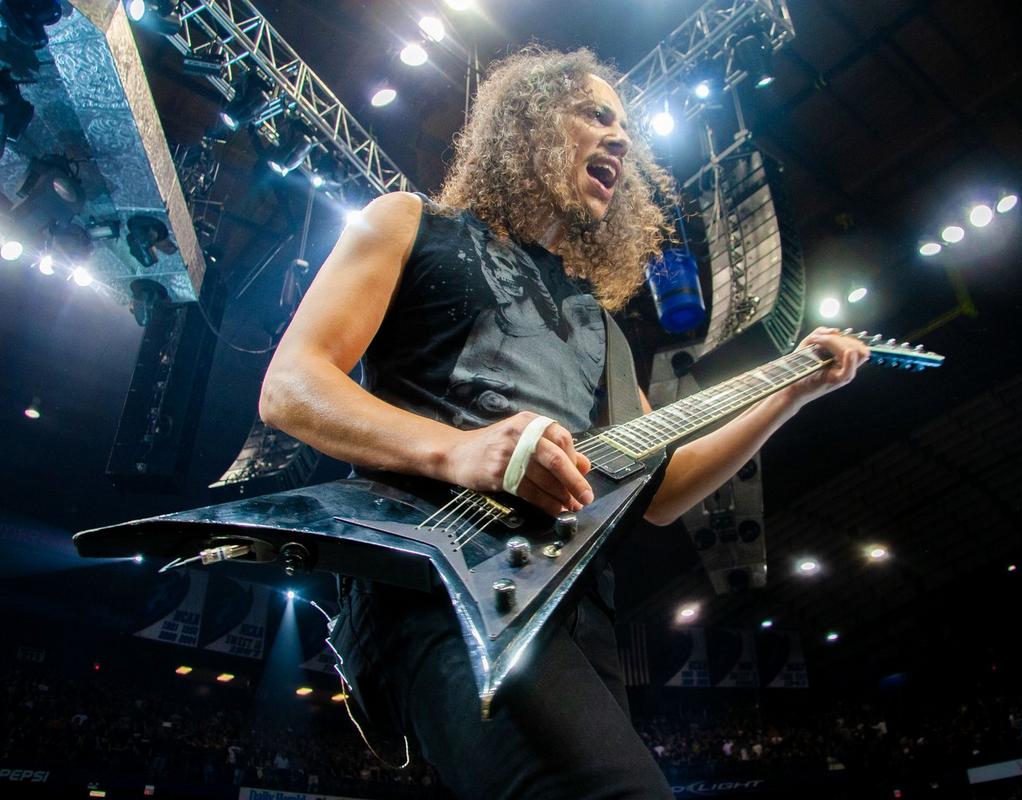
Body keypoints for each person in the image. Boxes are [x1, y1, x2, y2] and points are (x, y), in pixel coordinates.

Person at [258, 47, 868, 800]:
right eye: (596, 115)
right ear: (529, 124)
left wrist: (789, 392)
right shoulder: (411, 223)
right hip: (434, 579)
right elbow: (291, 386)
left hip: (571, 605)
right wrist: (457, 451)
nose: (621, 139)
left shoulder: (602, 326)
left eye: (626, 130)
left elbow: (663, 488)